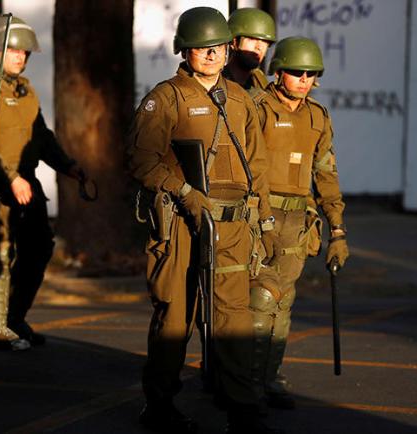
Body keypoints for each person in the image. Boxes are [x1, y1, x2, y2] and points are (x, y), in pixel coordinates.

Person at [126, 7, 282, 434]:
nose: (211, 55)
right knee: (175, 316)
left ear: (228, 48)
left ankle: (244, 412)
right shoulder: (167, 97)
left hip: (231, 227)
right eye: (201, 48)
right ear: (185, 51)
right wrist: (186, 193)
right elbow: (142, 161)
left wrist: (264, 223)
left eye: (218, 47)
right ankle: (159, 407)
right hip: (179, 223)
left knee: (232, 317)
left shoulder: (240, 99)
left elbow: (258, 166)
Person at [0, 17, 89, 350]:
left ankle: (13, 317)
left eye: (25, 52)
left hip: (28, 182)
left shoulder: (25, 90)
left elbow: (41, 136)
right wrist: (10, 178)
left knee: (39, 248)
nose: (21, 57)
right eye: (13, 50)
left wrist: (67, 165)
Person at [248, 37, 349, 409]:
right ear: (279, 71)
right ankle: (248, 386)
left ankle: (269, 378)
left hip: (297, 219)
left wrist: (337, 230)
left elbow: (326, 175)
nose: (303, 79)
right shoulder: (257, 108)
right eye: (296, 72)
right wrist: (257, 218)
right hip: (259, 215)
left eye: (311, 73)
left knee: (284, 303)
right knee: (260, 301)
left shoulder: (317, 117)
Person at [223, 8, 276, 91]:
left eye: (265, 42)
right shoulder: (216, 83)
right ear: (235, 42)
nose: (259, 47)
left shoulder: (262, 85)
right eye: (252, 39)